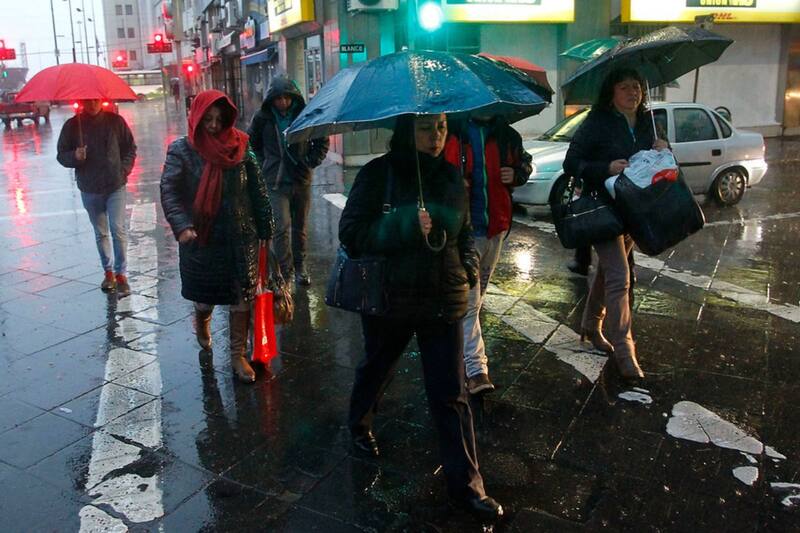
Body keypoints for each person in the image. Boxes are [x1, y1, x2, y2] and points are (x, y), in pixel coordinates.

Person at [339, 113, 503, 522]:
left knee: (451, 393)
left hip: (440, 298)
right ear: (406, 132)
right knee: (377, 367)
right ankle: (359, 424)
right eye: (426, 128)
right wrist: (402, 225)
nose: (436, 136)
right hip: (390, 296)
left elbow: (464, 234)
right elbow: (352, 232)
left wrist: (467, 268)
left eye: (442, 127)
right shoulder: (379, 174)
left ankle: (467, 487)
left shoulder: (450, 177)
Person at [160, 90, 274, 383]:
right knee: (205, 297)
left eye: (218, 119)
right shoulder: (182, 150)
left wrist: (266, 231)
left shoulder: (241, 146)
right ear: (196, 118)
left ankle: (238, 355)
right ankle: (202, 321)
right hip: (202, 238)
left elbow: (258, 192)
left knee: (242, 299)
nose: (212, 125)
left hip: (240, 237)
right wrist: (182, 226)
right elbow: (170, 191)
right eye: (207, 119)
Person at [562, 68, 669, 381]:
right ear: (611, 92)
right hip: (604, 212)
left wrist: (663, 150)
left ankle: (590, 325)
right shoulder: (596, 122)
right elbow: (572, 163)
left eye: (636, 87)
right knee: (621, 276)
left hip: (635, 209)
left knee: (608, 272)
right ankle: (624, 349)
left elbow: (658, 162)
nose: (632, 93)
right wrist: (605, 167)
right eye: (625, 87)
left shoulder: (649, 121)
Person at [444, 116, 533, 395]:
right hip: (463, 232)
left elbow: (524, 162)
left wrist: (518, 173)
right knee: (470, 303)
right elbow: (432, 174)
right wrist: (452, 184)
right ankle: (476, 369)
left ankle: (458, 344)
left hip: (496, 228)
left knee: (476, 300)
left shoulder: (506, 134)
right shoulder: (451, 132)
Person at [247, 76, 329, 286]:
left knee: (299, 227)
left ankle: (301, 265)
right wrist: (263, 164)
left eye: (286, 98)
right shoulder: (263, 117)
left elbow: (321, 139)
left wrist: (311, 160)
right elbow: (252, 144)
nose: (283, 102)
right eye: (278, 98)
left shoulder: (305, 115)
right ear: (271, 99)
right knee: (281, 228)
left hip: (300, 180)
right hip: (274, 181)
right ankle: (286, 271)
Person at [57, 99, 137, 296]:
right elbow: (61, 154)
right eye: (88, 100)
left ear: (101, 100)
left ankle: (121, 274)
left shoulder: (115, 122)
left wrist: (124, 170)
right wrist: (75, 156)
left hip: (115, 185)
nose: (92, 104)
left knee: (117, 230)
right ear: (82, 101)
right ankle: (108, 272)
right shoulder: (73, 125)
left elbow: (130, 148)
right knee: (100, 232)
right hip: (89, 187)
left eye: (96, 99)